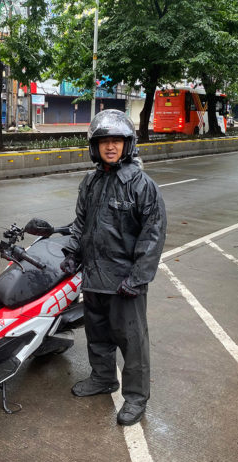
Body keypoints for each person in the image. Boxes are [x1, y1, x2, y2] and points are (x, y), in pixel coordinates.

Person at [60, 109, 167, 427]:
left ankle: (136, 398)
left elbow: (153, 235)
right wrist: (72, 255)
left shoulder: (141, 185)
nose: (110, 146)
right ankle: (103, 378)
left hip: (125, 284)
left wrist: (137, 278)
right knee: (98, 336)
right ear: (95, 146)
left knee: (132, 343)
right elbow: (81, 224)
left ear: (127, 144)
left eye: (116, 140)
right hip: (94, 279)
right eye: (104, 140)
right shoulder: (90, 182)